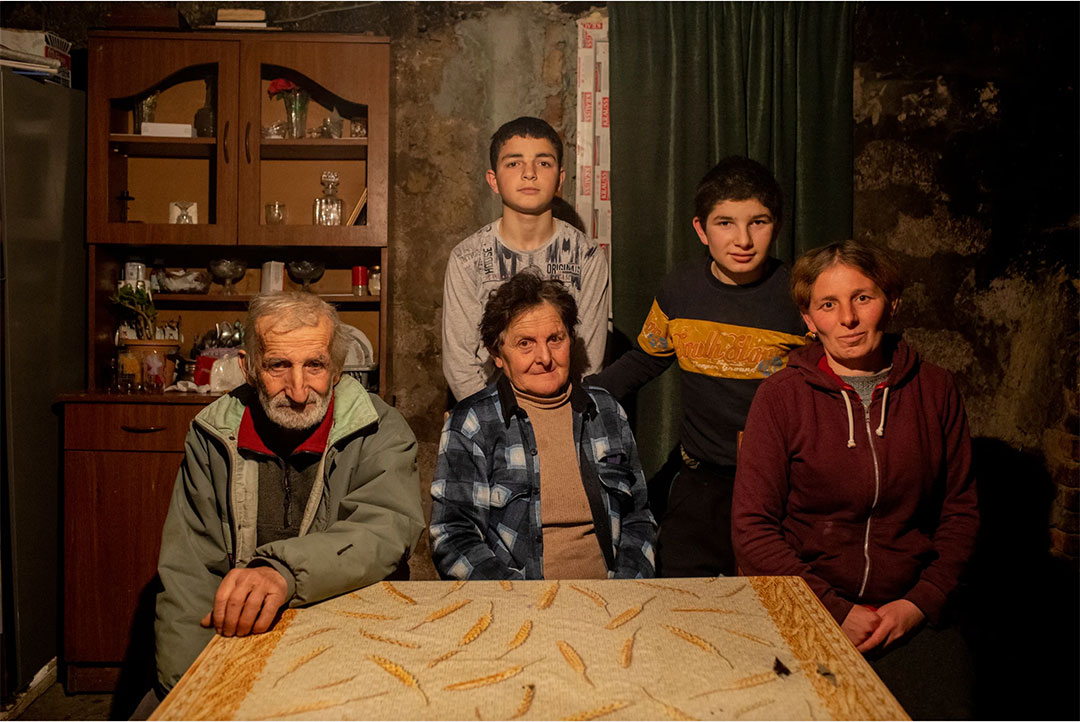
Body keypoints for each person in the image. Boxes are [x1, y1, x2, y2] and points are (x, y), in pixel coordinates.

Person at [732, 240, 978, 718]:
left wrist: (919, 604)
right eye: (828, 304)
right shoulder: (781, 397)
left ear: (891, 303)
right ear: (809, 319)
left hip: (910, 609)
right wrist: (836, 611)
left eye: (862, 298)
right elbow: (752, 530)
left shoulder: (936, 390)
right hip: (808, 605)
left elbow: (960, 512)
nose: (847, 318)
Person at [153, 292, 426, 697]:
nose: (298, 391)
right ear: (247, 368)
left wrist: (282, 573)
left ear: (336, 369)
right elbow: (188, 577)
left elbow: (383, 532)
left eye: (314, 365)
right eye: (278, 365)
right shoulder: (212, 435)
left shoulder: (381, 430)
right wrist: (187, 690)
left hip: (356, 636)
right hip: (246, 638)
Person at [590, 156, 807, 577]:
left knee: (775, 602)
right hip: (701, 479)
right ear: (700, 229)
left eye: (757, 222)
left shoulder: (798, 295)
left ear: (776, 225)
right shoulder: (681, 287)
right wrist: (572, 398)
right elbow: (645, 358)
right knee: (679, 595)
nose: (742, 239)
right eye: (725, 222)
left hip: (782, 484)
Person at [430, 270, 656, 580]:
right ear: (497, 353)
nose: (545, 357)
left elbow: (638, 520)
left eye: (555, 339)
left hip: (611, 601)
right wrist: (518, 600)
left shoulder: (606, 412)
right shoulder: (473, 423)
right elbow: (453, 536)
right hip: (517, 606)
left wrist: (627, 589)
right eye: (525, 343)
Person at [442, 116, 609, 403]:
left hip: (564, 410)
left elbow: (588, 362)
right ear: (493, 180)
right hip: (489, 417)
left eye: (543, 163)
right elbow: (460, 365)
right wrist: (492, 422)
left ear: (559, 179)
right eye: (514, 163)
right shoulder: (467, 258)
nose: (529, 173)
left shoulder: (587, 256)